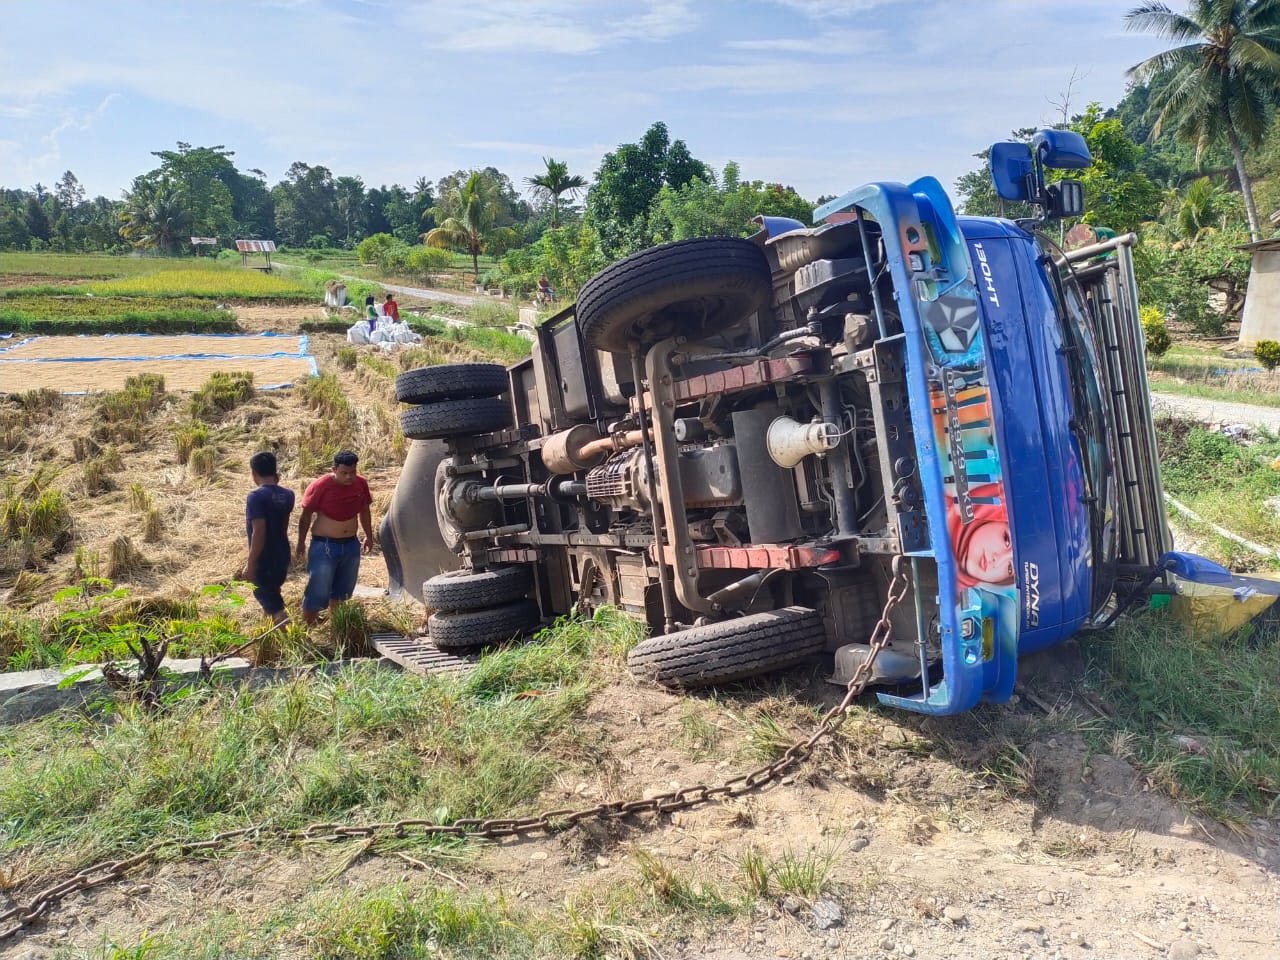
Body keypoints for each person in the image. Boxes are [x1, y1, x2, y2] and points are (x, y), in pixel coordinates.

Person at [295, 449, 375, 624]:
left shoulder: (360, 483)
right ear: (334, 469)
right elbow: (306, 515)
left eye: (352, 472)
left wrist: (369, 536)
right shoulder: (320, 486)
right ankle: (308, 627)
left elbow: (364, 511)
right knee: (317, 588)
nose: (349, 477)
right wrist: (300, 543)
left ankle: (336, 627)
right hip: (325, 545)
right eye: (344, 473)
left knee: (343, 590)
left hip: (350, 544)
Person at [241, 451, 295, 626]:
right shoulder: (288, 495)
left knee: (274, 606)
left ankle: (294, 645)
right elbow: (283, 526)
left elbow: (259, 532)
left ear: (253, 473)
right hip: (282, 552)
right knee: (271, 597)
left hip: (264, 557)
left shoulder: (255, 497)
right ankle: (268, 641)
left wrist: (250, 563)